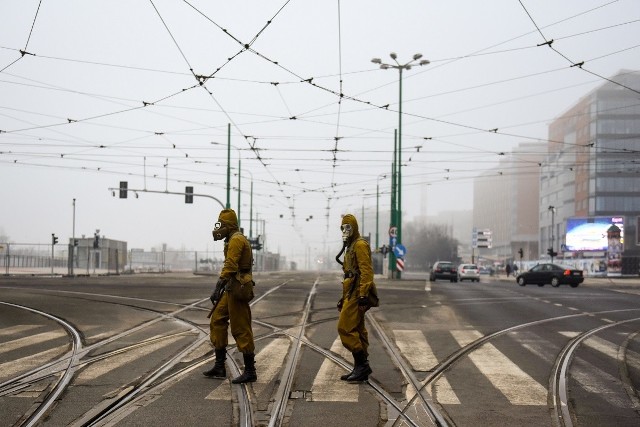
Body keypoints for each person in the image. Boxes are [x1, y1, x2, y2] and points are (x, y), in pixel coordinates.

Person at [203, 208, 257, 384]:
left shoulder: (236, 240)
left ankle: (250, 370)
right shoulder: (233, 239)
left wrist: (218, 286)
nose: (219, 228)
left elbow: (231, 265)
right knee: (217, 319)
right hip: (232, 286)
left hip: (238, 287)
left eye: (222, 224)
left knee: (240, 327)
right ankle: (220, 366)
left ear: (230, 225)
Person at [335, 214, 378, 382]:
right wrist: (343, 297)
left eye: (348, 227)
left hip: (357, 292)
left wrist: (363, 295)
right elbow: (349, 273)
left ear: (354, 228)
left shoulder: (359, 245)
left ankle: (362, 365)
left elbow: (366, 271)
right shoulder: (351, 245)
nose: (345, 230)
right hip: (351, 291)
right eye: (343, 227)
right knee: (358, 329)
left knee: (344, 327)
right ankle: (360, 366)